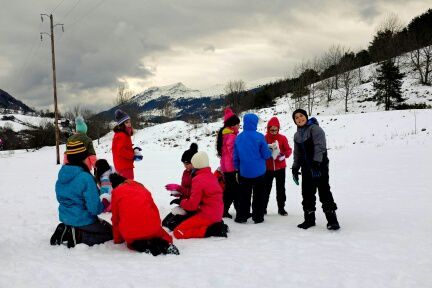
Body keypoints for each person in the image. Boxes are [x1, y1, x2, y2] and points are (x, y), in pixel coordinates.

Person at [50, 140, 113, 248]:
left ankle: (67, 229)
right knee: (110, 232)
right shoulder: (85, 177)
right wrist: (105, 201)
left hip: (66, 217)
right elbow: (94, 209)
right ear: (83, 158)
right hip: (83, 220)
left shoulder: (62, 174)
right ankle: (79, 236)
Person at [291, 109, 340, 230]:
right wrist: (295, 167)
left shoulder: (315, 129)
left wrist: (316, 162)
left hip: (319, 165)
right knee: (307, 193)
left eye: (301, 116)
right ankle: (309, 220)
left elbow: (320, 146)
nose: (299, 119)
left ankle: (332, 220)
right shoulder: (297, 135)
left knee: (324, 191)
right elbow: (297, 153)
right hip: (306, 168)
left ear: (306, 117)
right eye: (296, 117)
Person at [109, 173, 179, 256]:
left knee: (134, 238)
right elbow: (154, 209)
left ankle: (143, 246)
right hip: (152, 227)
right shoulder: (142, 188)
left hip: (131, 231)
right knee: (157, 235)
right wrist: (156, 225)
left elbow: (116, 218)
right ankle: (164, 244)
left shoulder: (116, 192)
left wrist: (117, 240)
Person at [173, 151, 228, 239]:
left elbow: (192, 205)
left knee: (178, 232)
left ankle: (212, 230)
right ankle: (216, 226)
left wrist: (181, 202)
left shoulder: (198, 179)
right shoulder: (211, 176)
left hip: (207, 215)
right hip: (217, 213)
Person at [233, 113, 272, 224]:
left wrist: (237, 168)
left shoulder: (239, 138)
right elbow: (266, 155)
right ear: (254, 123)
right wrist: (270, 152)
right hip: (259, 172)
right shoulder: (259, 137)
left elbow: (235, 156)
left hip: (244, 172)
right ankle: (258, 217)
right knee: (259, 195)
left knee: (244, 196)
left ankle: (242, 216)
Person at [162, 143, 199, 231]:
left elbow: (194, 192)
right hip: (184, 203)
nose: (185, 166)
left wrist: (179, 188)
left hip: (194, 206)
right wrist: (177, 192)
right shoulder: (186, 172)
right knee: (165, 223)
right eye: (184, 164)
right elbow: (184, 188)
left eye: (187, 164)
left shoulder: (198, 174)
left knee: (172, 226)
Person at [264, 117, 293, 216]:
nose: (273, 132)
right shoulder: (264, 138)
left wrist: (283, 155)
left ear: (278, 129)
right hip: (268, 168)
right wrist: (267, 153)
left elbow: (288, 150)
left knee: (281, 189)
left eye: (275, 130)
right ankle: (263, 208)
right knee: (266, 189)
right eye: (271, 130)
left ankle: (281, 208)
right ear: (268, 129)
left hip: (280, 168)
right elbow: (260, 152)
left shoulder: (282, 138)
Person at [216, 107, 241, 219]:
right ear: (232, 125)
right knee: (233, 191)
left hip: (226, 168)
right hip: (231, 168)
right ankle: (226, 211)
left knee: (230, 190)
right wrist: (237, 166)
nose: (238, 126)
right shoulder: (231, 136)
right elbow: (233, 153)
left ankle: (226, 210)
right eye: (237, 124)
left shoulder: (224, 134)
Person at [112, 109, 142, 180]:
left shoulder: (123, 134)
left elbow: (124, 148)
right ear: (122, 124)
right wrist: (133, 156)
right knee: (128, 185)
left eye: (129, 122)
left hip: (123, 165)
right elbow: (121, 150)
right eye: (126, 122)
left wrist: (133, 150)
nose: (129, 124)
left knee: (125, 185)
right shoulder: (122, 135)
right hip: (124, 166)